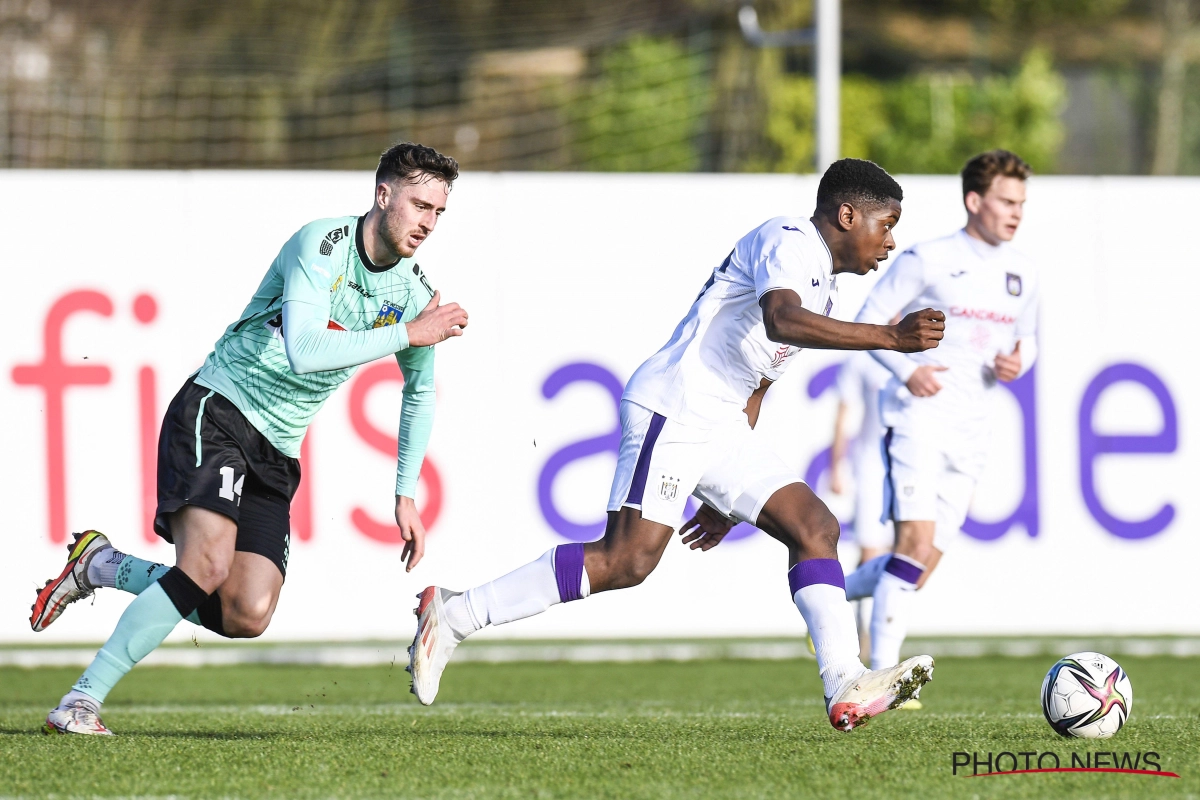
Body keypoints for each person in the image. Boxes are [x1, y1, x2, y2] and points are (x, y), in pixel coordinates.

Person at [407, 159, 946, 732]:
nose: (889, 241)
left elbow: (758, 383)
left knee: (815, 527)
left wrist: (722, 499)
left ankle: (843, 682)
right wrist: (891, 337)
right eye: (885, 224)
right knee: (626, 561)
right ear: (847, 215)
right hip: (675, 405)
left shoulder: (827, 287)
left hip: (720, 426)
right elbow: (782, 321)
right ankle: (455, 612)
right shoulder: (788, 239)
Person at [31, 142, 469, 736]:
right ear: (383, 194)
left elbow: (419, 392)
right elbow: (306, 349)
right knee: (206, 563)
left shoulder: (414, 295)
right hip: (219, 410)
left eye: (439, 212)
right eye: (419, 204)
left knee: (246, 611)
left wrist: (405, 492)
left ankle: (104, 566)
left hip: (278, 451)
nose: (427, 223)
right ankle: (81, 700)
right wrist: (409, 335)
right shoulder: (321, 245)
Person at [843, 149, 1039, 673]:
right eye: (1006, 200)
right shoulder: (926, 259)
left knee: (919, 567)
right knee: (914, 544)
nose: (1016, 211)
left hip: (973, 427)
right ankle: (882, 673)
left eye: (1021, 202)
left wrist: (1019, 361)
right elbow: (868, 321)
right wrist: (910, 371)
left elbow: (1028, 341)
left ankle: (831, 590)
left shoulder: (1023, 273)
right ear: (975, 201)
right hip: (917, 416)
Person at [829, 350, 895, 664]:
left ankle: (835, 608)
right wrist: (836, 464)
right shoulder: (864, 358)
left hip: (909, 465)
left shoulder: (928, 352)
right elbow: (845, 411)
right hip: (872, 468)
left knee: (903, 559)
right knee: (872, 554)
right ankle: (869, 651)